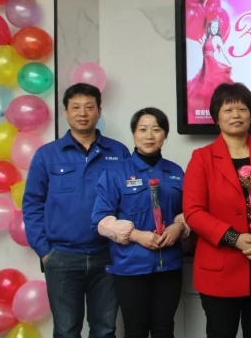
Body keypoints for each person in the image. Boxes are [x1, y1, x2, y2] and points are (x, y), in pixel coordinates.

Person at [22, 83, 131, 338]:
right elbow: (32, 204)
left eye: (89, 107)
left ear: (99, 111)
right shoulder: (47, 155)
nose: (83, 113)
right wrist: (45, 252)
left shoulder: (118, 152)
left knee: (105, 330)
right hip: (62, 257)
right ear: (66, 112)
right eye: (76, 107)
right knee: (66, 331)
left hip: (108, 256)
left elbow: (129, 201)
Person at [183, 83, 251, 338]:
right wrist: (233, 238)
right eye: (228, 110)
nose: (236, 115)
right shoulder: (202, 157)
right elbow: (193, 212)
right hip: (220, 267)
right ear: (216, 117)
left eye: (242, 109)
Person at [92, 108, 188, 338]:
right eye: (143, 129)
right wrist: (136, 236)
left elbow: (191, 211)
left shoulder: (175, 171)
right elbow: (101, 220)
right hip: (131, 266)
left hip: (170, 266)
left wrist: (179, 227)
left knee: (164, 329)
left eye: (156, 129)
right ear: (134, 133)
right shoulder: (115, 172)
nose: (149, 136)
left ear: (165, 134)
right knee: (135, 330)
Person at [187, 19, 234, 121]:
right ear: (210, 28)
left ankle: (217, 113)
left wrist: (230, 63)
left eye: (216, 27)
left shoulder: (217, 38)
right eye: (213, 27)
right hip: (205, 65)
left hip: (211, 65)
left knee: (211, 87)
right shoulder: (207, 38)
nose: (214, 29)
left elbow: (224, 51)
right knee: (203, 88)